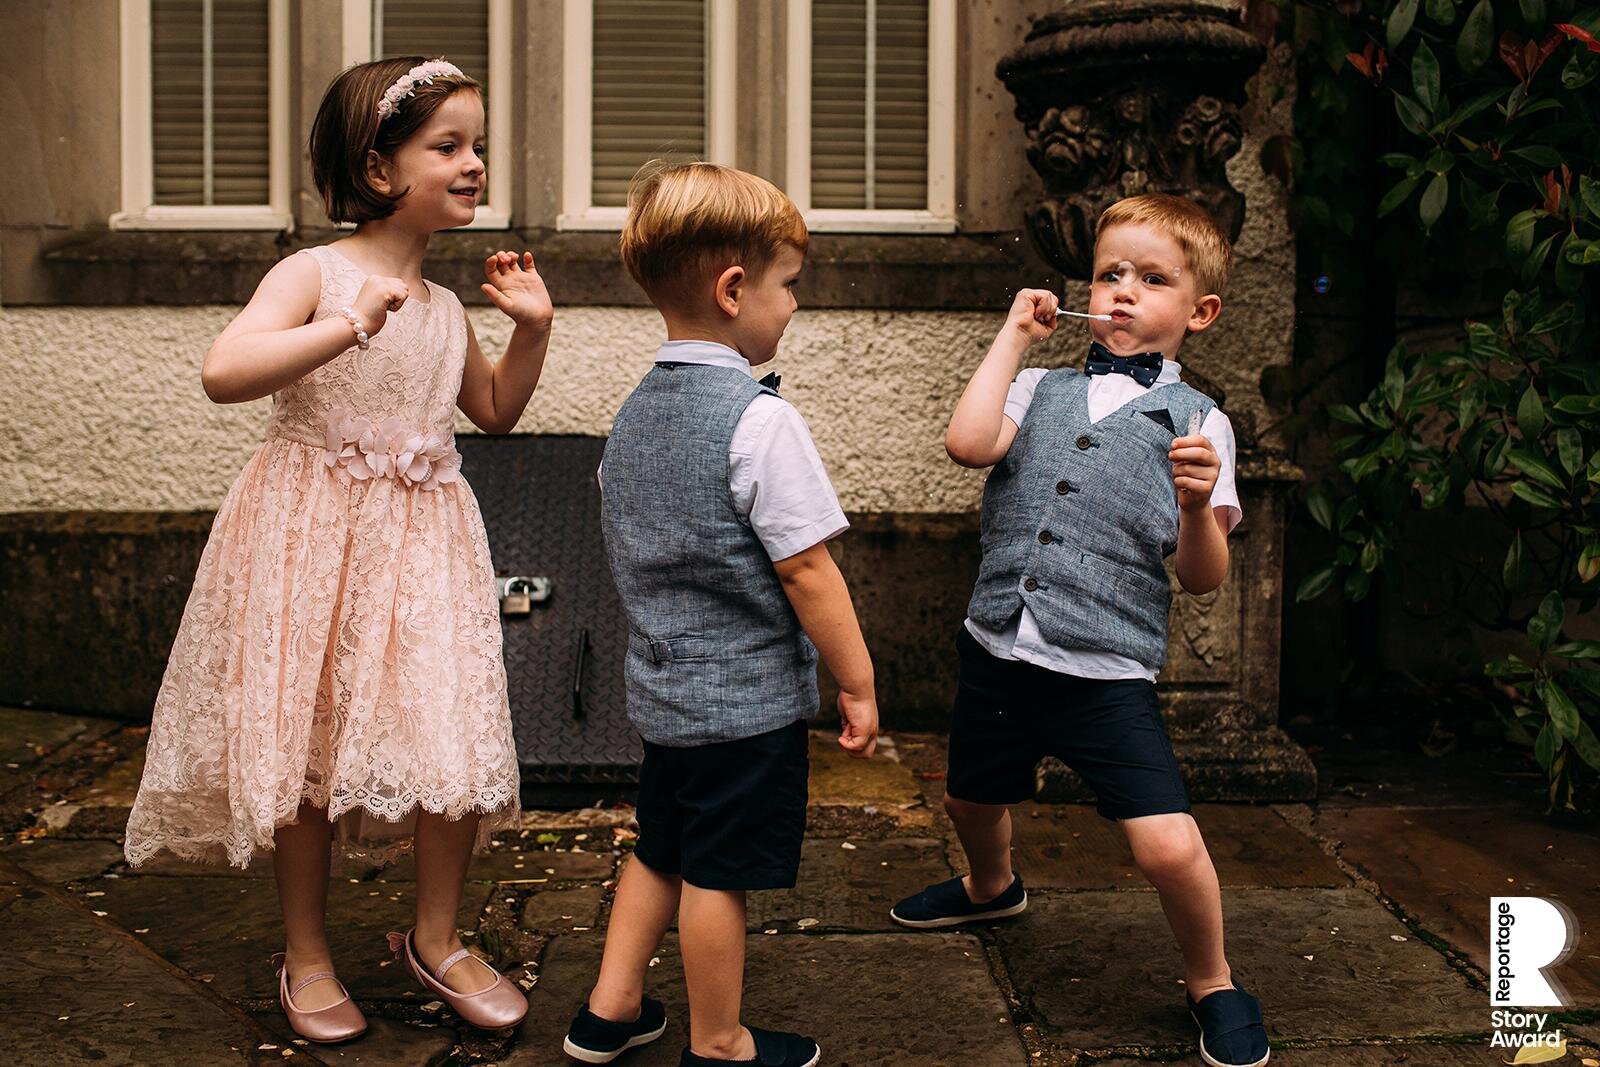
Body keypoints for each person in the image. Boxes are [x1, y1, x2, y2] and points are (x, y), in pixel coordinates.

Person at [124, 56, 551, 1043]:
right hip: (312, 535)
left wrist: (528, 333)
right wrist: (340, 326)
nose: (473, 162)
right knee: (306, 744)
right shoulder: (315, 273)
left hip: (423, 538)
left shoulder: (444, 307)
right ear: (377, 161)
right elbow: (224, 371)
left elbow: (491, 410)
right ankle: (307, 953)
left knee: (448, 735)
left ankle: (436, 936)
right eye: (448, 145)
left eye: (477, 144)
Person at [890, 194, 1270, 1067]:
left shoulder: (1203, 424)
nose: (1125, 291)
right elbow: (967, 443)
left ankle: (1212, 977)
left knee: (1165, 842)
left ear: (1199, 312)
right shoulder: (1037, 385)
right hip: (999, 646)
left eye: (1153, 278)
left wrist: (1195, 505)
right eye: (1110, 274)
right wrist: (1012, 337)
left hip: (1106, 672)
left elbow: (1203, 578)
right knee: (969, 798)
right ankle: (992, 886)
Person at [561, 162, 878, 1067]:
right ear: (734, 289)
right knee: (718, 874)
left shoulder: (632, 416)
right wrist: (856, 680)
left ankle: (609, 1009)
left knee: (660, 846)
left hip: (663, 696)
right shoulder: (758, 420)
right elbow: (809, 568)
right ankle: (720, 1040)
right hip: (744, 708)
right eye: (788, 286)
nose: (792, 308)